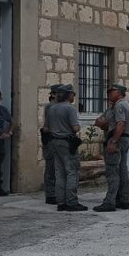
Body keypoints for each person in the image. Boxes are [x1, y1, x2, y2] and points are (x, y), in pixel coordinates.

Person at [43, 84, 87, 212]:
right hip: (67, 143)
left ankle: (61, 202)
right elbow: (75, 128)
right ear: (69, 95)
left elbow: (46, 128)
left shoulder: (52, 108)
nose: (74, 96)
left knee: (59, 173)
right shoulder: (70, 109)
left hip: (54, 142)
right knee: (71, 171)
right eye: (73, 93)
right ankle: (72, 202)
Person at [93, 84, 129, 212]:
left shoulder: (119, 106)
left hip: (118, 139)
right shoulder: (127, 106)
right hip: (125, 139)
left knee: (112, 171)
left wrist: (113, 141)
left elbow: (120, 123)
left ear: (120, 93)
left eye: (112, 91)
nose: (109, 93)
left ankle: (110, 201)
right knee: (122, 169)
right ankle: (123, 199)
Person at [41, 84, 62, 205]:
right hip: (50, 140)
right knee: (51, 168)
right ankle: (50, 194)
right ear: (53, 94)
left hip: (56, 140)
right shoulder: (51, 107)